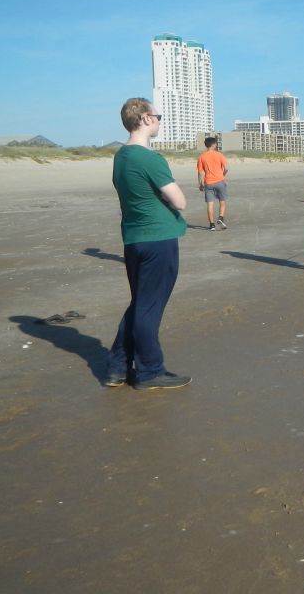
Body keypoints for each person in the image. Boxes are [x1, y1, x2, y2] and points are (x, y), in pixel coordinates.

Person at [106, 97, 191, 390]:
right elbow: (179, 201)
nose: (159, 121)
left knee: (141, 304)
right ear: (144, 119)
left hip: (134, 239)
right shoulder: (148, 158)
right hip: (158, 239)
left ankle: (117, 367)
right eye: (158, 116)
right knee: (148, 309)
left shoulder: (121, 157)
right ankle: (149, 371)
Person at [197, 136, 229, 230]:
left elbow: (200, 172)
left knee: (210, 204)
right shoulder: (219, 155)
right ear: (214, 145)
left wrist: (200, 184)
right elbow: (226, 168)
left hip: (208, 182)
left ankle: (212, 225)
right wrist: (223, 175)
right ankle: (221, 217)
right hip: (220, 181)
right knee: (222, 201)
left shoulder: (202, 157)